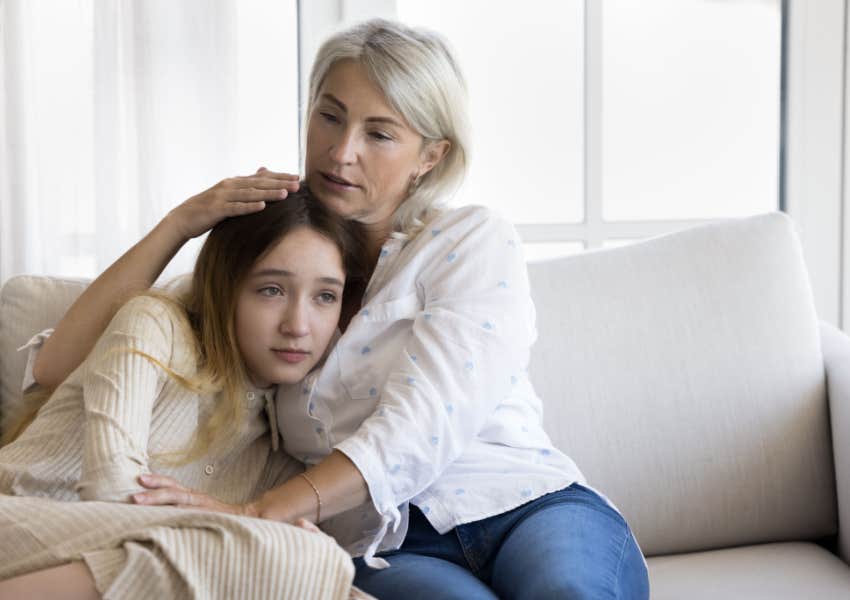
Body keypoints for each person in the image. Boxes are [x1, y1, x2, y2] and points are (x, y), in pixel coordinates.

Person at [28, 18, 650, 600]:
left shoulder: (468, 241)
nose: (341, 151)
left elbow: (420, 424)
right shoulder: (279, 268)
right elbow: (59, 364)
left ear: (429, 157)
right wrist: (180, 225)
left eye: (379, 134)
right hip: (389, 547)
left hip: (527, 504)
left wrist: (258, 515)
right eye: (329, 117)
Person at [0, 190, 370, 600]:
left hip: (117, 572)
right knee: (299, 555)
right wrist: (251, 534)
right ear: (226, 287)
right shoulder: (156, 324)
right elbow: (110, 485)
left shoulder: (283, 451)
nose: (299, 325)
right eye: (271, 290)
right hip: (16, 522)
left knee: (310, 563)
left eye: (324, 297)